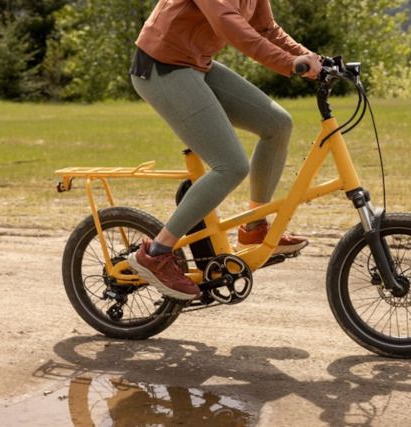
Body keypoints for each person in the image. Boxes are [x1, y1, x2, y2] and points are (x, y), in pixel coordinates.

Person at [127, 0, 322, 301]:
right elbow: (230, 25)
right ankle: (156, 252)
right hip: (162, 67)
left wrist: (309, 57)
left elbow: (266, 28)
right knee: (231, 166)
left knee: (278, 124)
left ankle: (254, 228)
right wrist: (288, 62)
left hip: (197, 63)